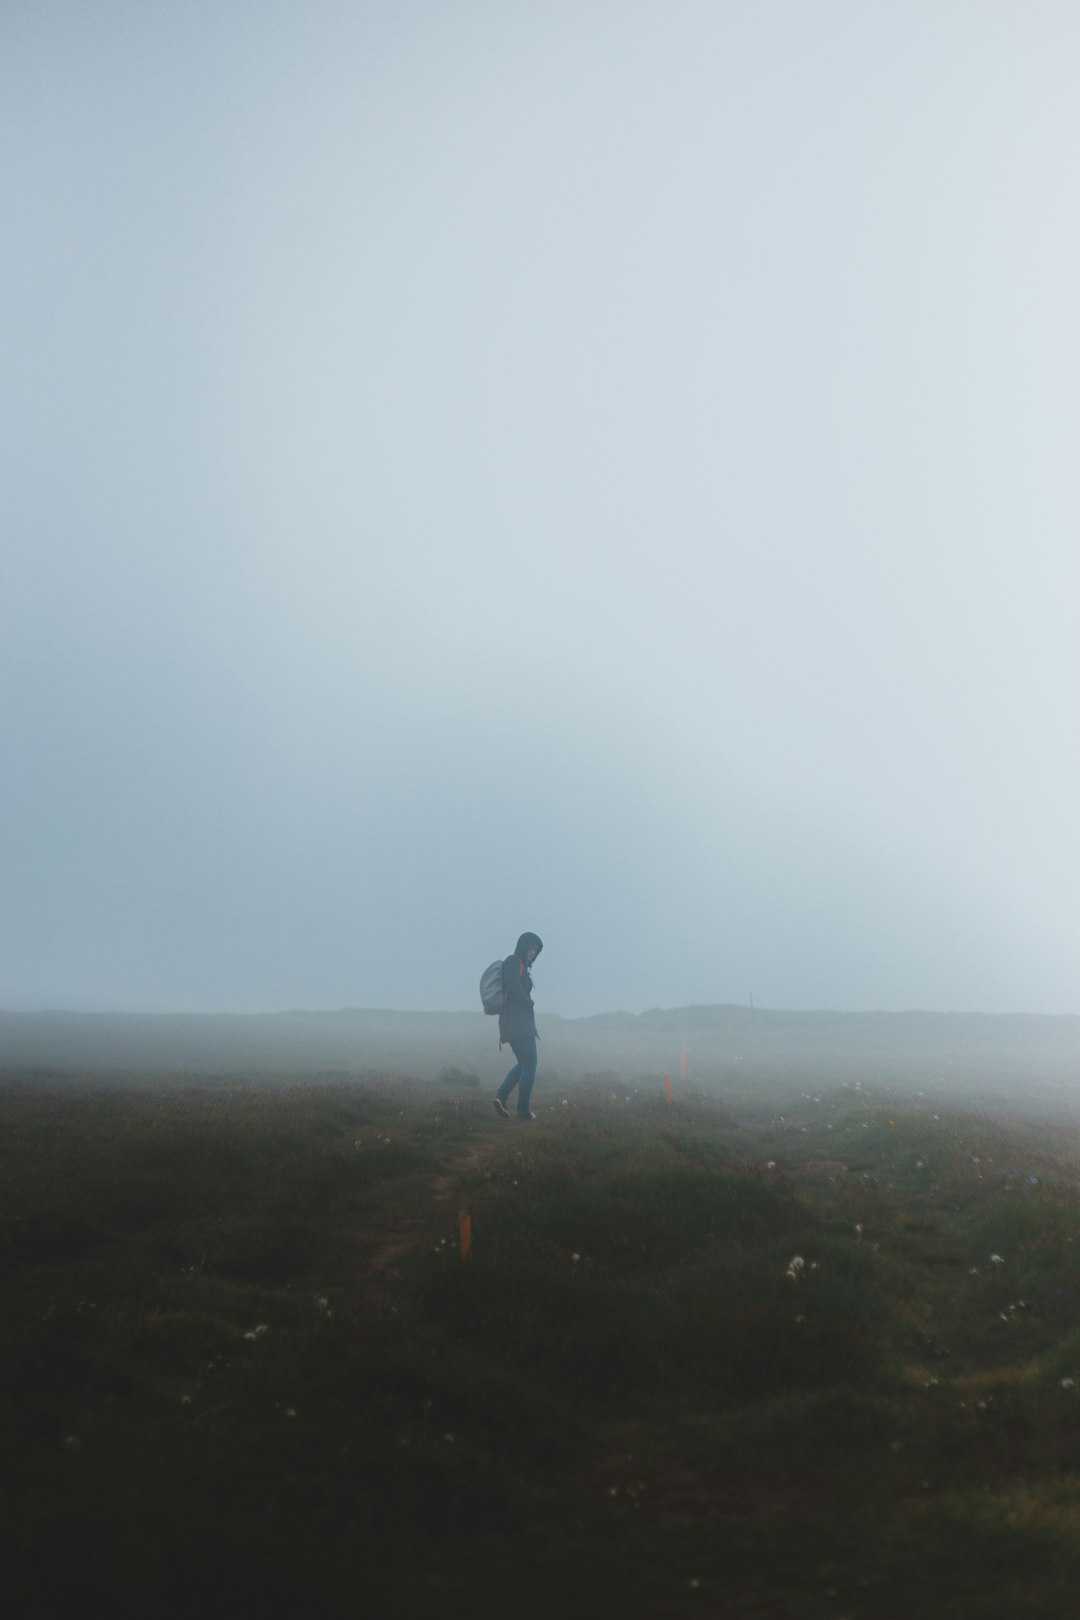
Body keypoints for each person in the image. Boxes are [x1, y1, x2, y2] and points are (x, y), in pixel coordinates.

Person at [493, 932, 543, 1121]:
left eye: (535, 950)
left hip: (515, 1024)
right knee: (530, 1065)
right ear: (523, 946)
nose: (532, 953)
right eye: (531, 948)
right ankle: (522, 1112)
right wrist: (527, 1001)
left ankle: (500, 1097)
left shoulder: (519, 964)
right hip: (518, 1024)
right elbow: (512, 984)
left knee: (524, 1064)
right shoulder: (514, 961)